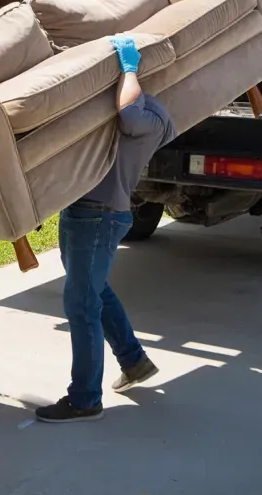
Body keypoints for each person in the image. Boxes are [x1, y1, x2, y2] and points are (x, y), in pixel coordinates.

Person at [36, 34, 177, 424]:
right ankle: (134, 361)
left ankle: (85, 399)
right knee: (93, 291)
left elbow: (130, 116)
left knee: (81, 304)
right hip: (80, 210)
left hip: (99, 215)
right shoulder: (112, 104)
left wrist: (128, 67)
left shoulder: (152, 115)